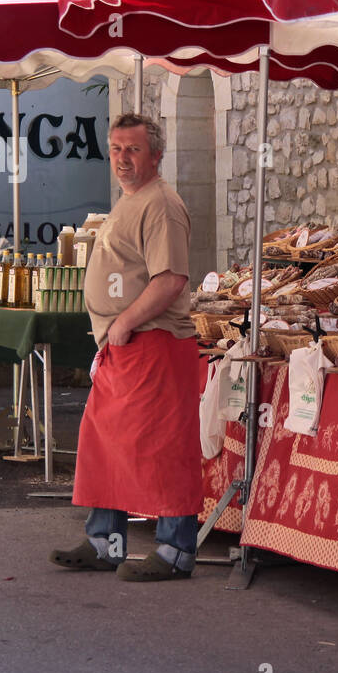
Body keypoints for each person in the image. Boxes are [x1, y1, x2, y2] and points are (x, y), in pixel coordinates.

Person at [50, 113, 203, 582]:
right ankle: (104, 542)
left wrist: (126, 321)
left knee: (163, 448)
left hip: (152, 342)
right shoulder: (130, 201)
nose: (122, 158)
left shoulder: (162, 204)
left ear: (155, 154)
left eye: (133, 149)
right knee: (105, 444)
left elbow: (171, 279)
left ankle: (176, 551)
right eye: (116, 149)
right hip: (126, 345)